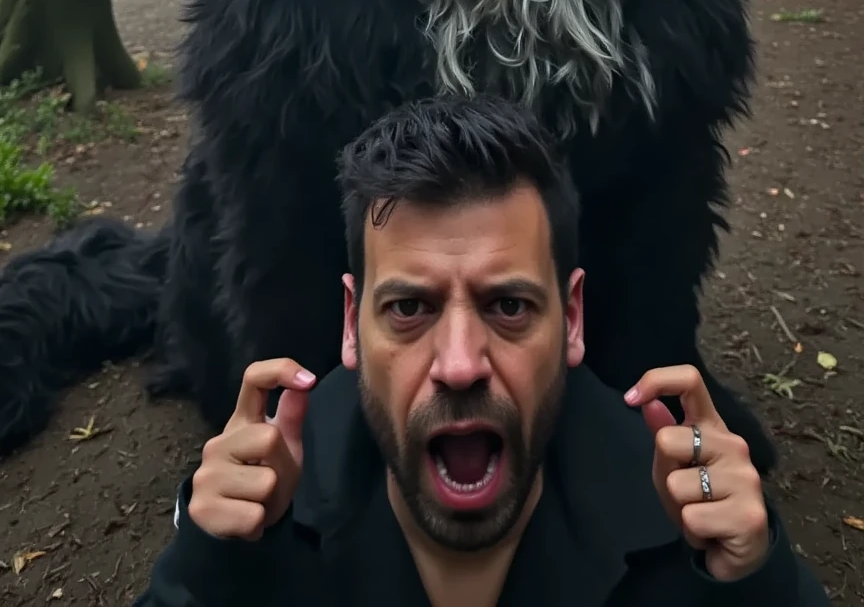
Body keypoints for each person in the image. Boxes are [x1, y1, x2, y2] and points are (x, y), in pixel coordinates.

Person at [134, 96, 827, 605]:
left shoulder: (686, 526)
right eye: (409, 308)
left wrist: (755, 586)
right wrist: (212, 571)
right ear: (351, 324)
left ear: (573, 318)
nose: (461, 364)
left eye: (509, 306)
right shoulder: (259, 520)